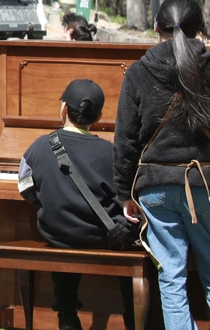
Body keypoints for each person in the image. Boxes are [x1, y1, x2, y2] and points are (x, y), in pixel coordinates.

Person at [114, 0, 210, 330]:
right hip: (209, 185)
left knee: (171, 279)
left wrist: (123, 194)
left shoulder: (139, 72)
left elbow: (125, 140)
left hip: (155, 189)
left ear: (157, 26)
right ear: (200, 28)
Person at [19, 80, 134, 330]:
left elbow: (25, 189)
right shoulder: (109, 151)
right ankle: (131, 318)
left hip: (56, 233)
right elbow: (122, 196)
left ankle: (67, 316)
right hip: (100, 238)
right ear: (100, 116)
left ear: (63, 109)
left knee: (63, 235)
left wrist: (53, 199)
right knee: (129, 243)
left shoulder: (38, 146)